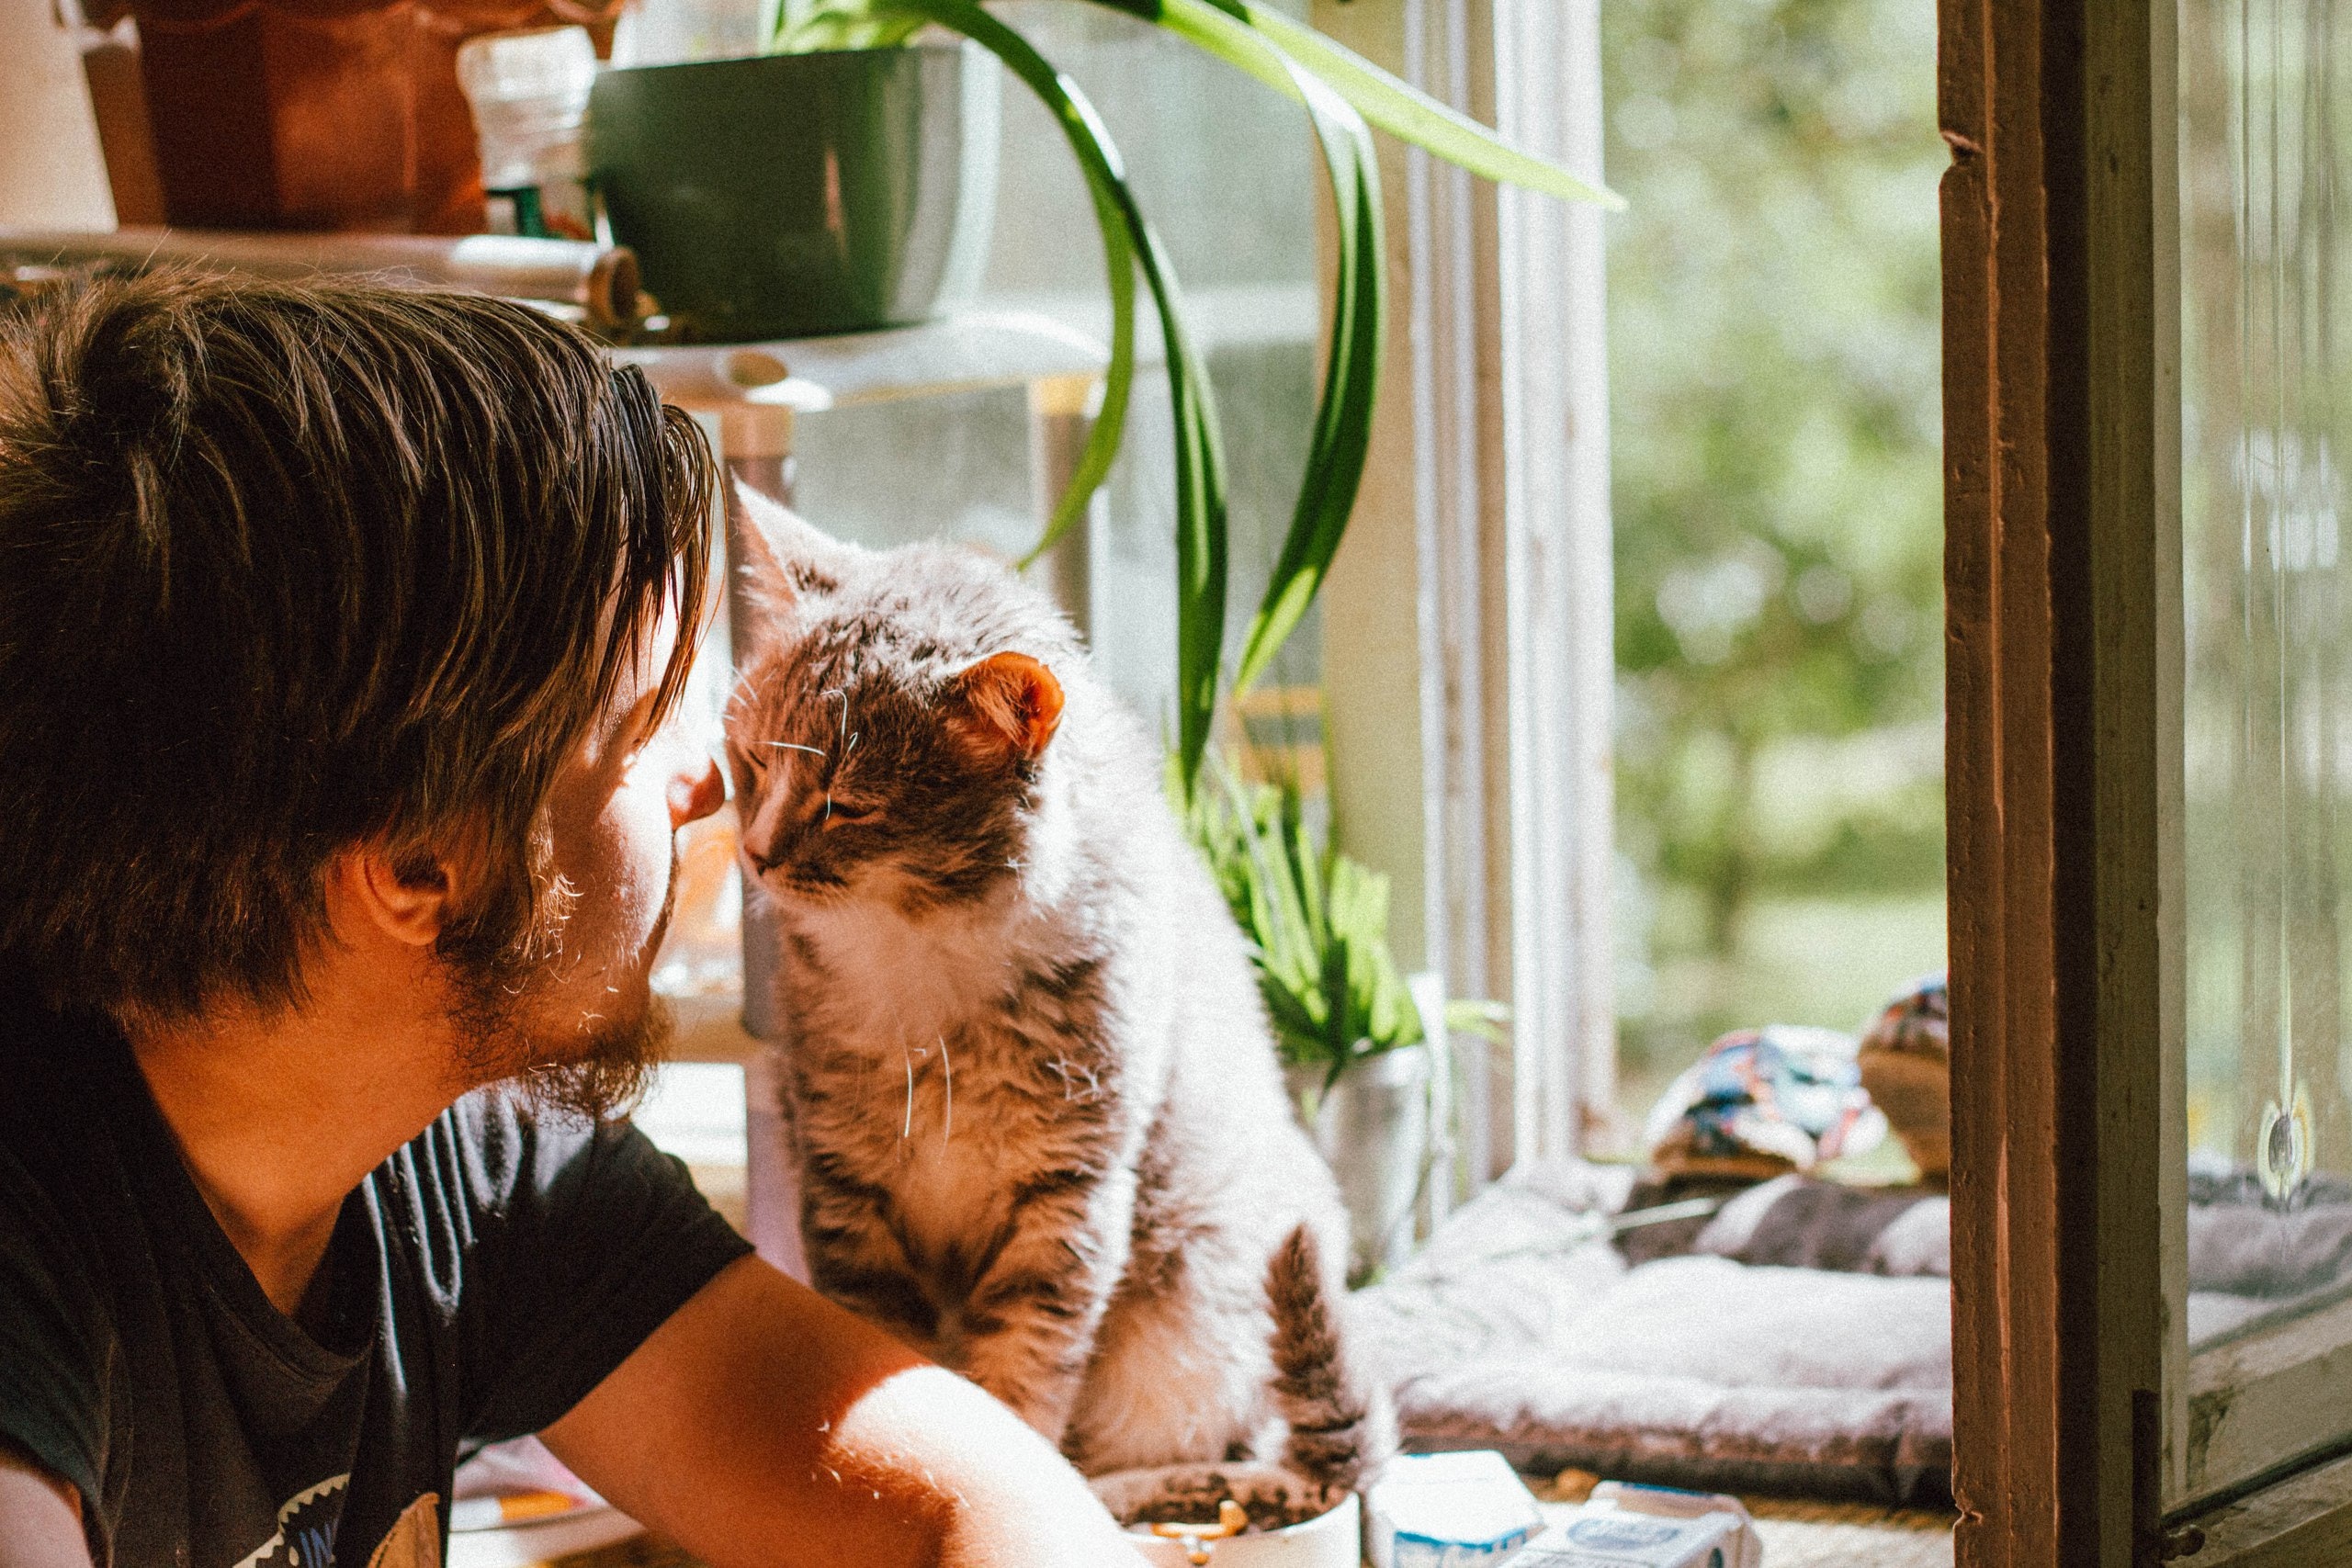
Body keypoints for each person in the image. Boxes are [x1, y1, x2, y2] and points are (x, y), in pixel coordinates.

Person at [0, 273, 1146, 1568]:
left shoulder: (464, 1151)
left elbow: (985, 1508)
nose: (708, 792)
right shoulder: (34, 1264)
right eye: (643, 733)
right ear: (422, 863)